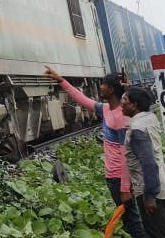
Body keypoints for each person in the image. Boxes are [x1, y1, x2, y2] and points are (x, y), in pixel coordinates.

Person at [44, 66, 145, 238]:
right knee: (131, 220)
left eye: (103, 84)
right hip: (113, 176)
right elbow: (82, 100)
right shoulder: (106, 109)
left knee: (133, 222)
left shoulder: (121, 117)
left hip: (119, 178)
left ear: (111, 89)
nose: (100, 87)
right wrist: (61, 81)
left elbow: (126, 153)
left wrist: (125, 187)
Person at [121, 86, 165, 238]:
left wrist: (149, 196)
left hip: (151, 191)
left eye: (124, 100)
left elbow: (148, 163)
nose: (121, 104)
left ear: (134, 105)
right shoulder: (149, 118)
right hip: (163, 185)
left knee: (157, 234)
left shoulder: (137, 129)